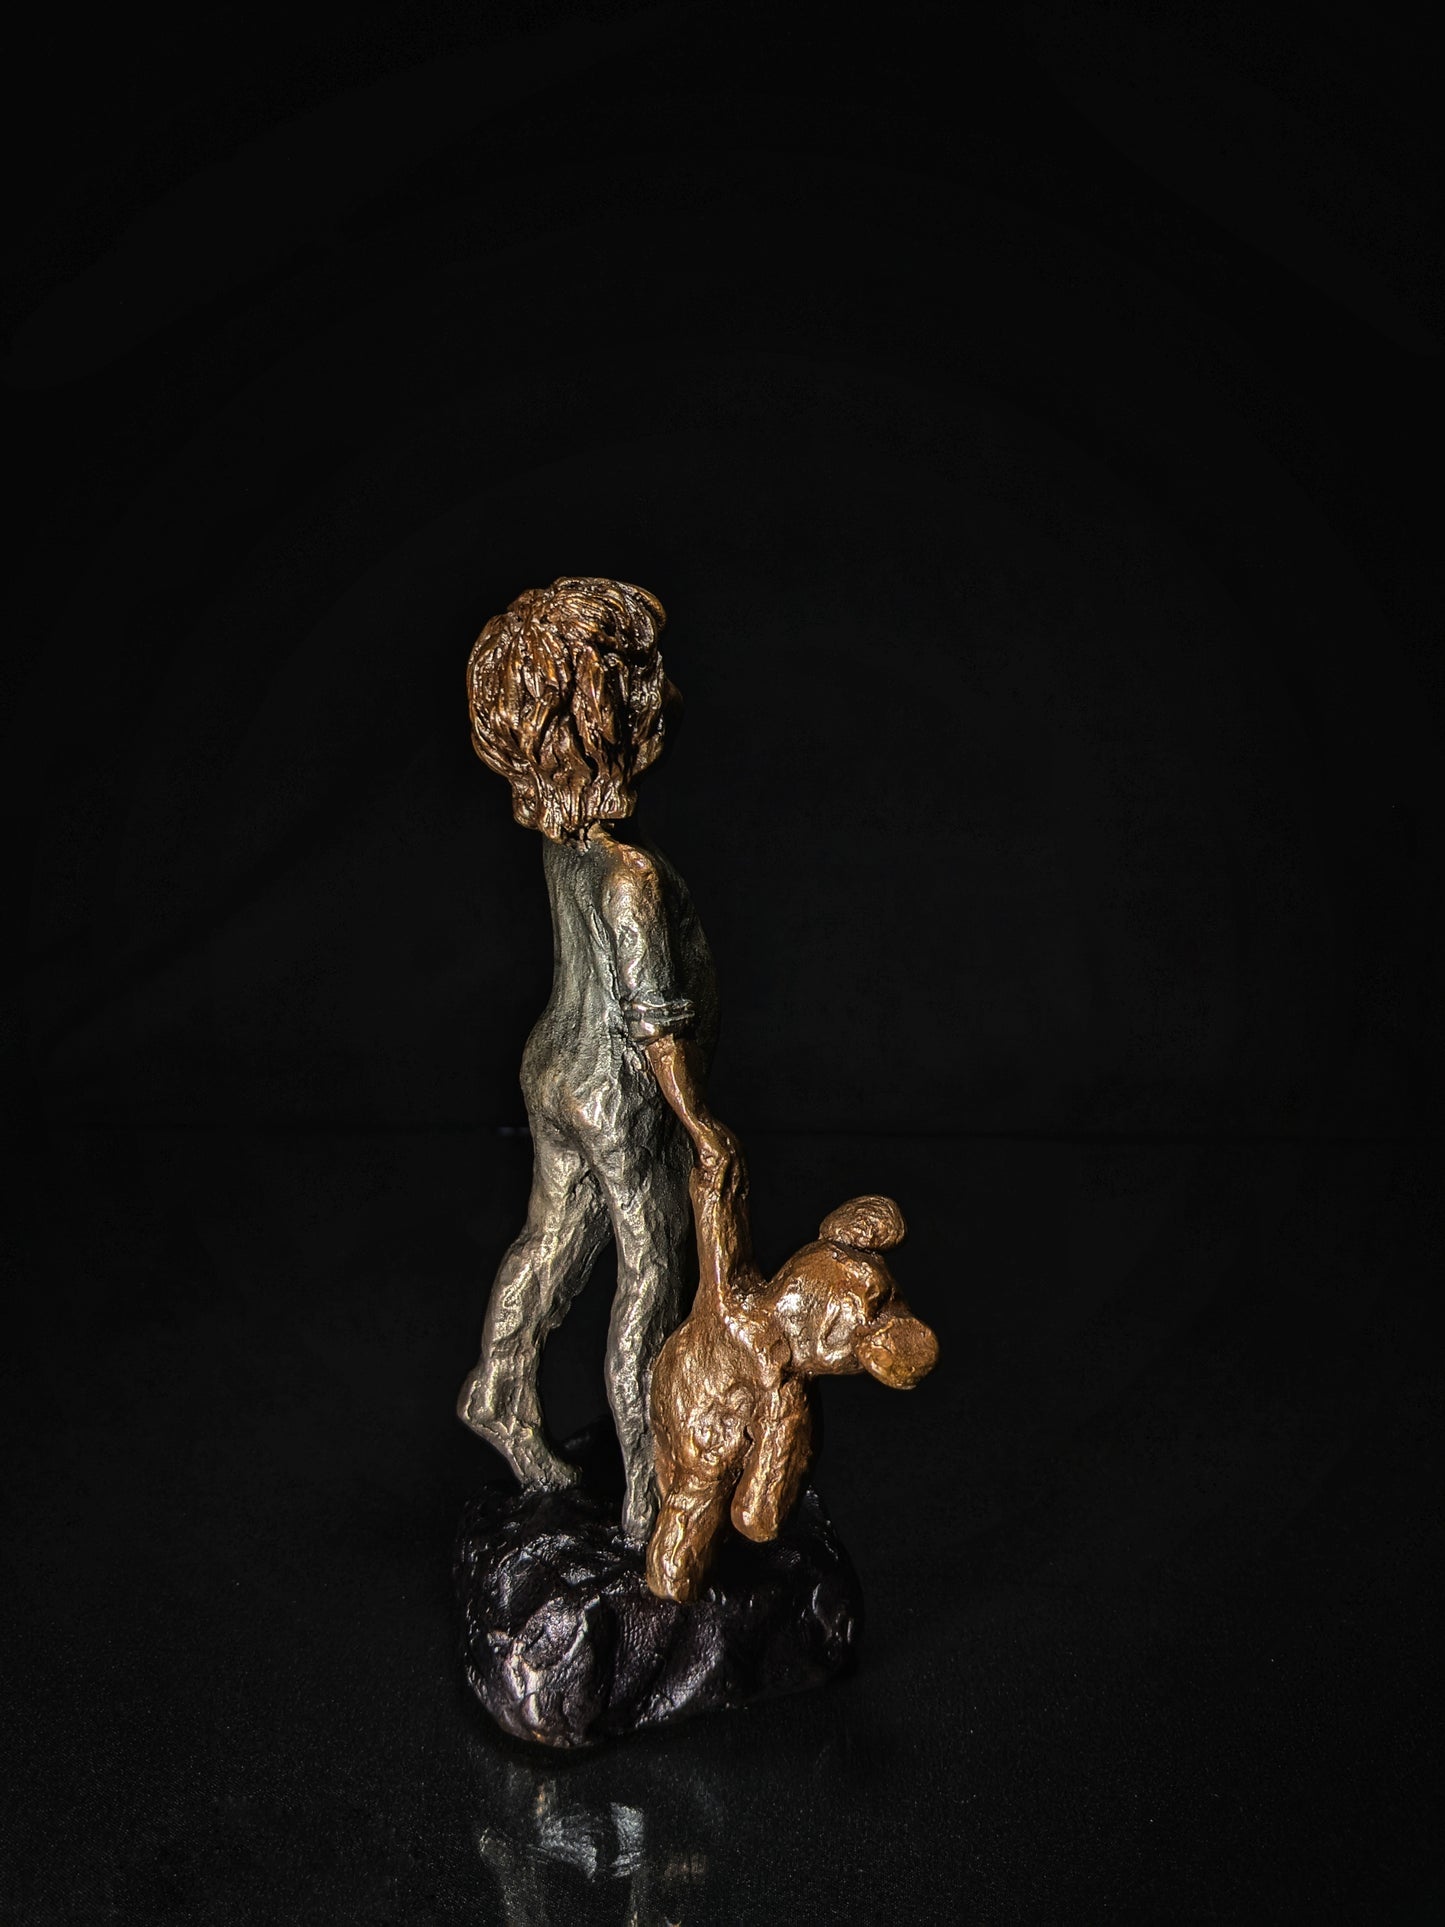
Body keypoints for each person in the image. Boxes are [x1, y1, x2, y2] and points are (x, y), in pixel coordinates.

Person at [455, 577, 719, 1541]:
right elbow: (655, 1019)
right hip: (618, 1086)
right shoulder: (628, 874)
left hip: (552, 1064)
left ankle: (498, 1389)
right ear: (613, 713)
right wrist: (697, 1123)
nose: (666, 693)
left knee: (552, 1239)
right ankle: (649, 1485)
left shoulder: (567, 845)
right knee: (651, 1269)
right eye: (646, 679)